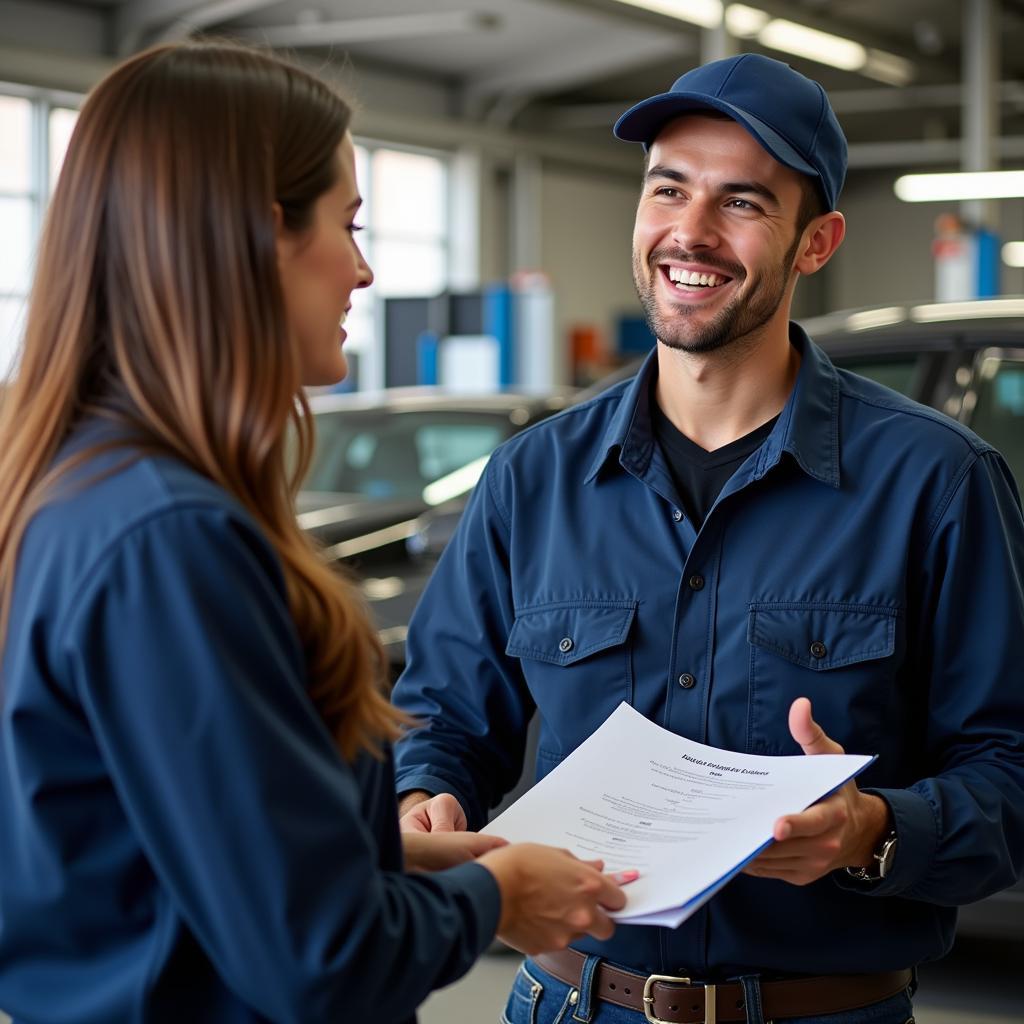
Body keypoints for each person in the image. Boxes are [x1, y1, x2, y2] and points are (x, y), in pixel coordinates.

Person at [0, 41, 631, 1024]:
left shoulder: (82, 491)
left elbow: (155, 842)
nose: (367, 268)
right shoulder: (171, 539)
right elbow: (319, 954)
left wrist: (381, 848)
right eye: (348, 223)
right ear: (259, 236)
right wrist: (500, 896)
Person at [392, 53, 1024, 1024]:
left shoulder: (936, 483)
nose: (689, 233)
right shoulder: (533, 478)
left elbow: (1010, 768)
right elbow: (439, 718)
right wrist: (424, 792)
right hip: (567, 1003)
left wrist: (873, 830)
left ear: (816, 243)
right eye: (667, 190)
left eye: (741, 203)